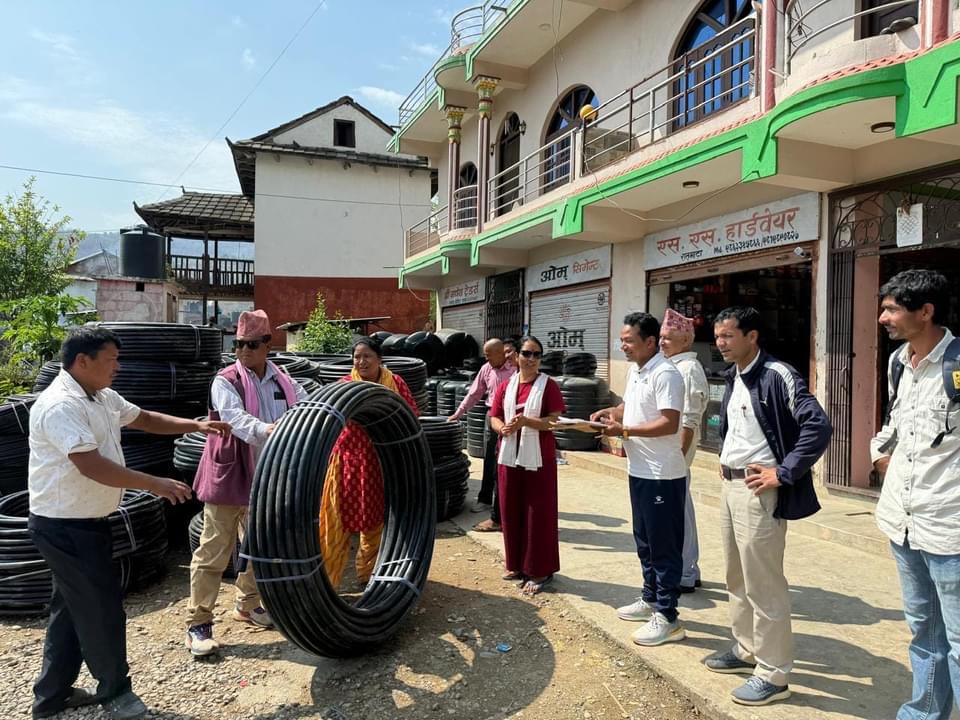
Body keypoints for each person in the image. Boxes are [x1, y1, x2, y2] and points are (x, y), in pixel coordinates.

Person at [28, 326, 229, 720]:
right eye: (111, 359)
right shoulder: (60, 405)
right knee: (102, 610)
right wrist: (154, 483)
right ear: (82, 361)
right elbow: (90, 465)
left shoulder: (100, 395)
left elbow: (145, 419)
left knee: (71, 609)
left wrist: (196, 425)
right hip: (66, 526)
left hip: (83, 522)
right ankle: (116, 693)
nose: (118, 366)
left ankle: (51, 696)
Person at [704, 306, 831, 706]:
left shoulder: (778, 375)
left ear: (752, 336)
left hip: (760, 491)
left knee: (764, 584)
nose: (720, 343)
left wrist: (785, 471)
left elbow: (818, 424)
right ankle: (745, 650)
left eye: (727, 336)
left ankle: (774, 674)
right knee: (735, 577)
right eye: (718, 335)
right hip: (731, 486)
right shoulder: (734, 376)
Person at [186, 309, 307, 657]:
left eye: (251, 345)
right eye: (238, 344)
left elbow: (304, 405)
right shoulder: (225, 381)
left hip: (266, 476)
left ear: (267, 344)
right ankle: (199, 623)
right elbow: (234, 418)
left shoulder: (285, 382)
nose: (243, 351)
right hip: (230, 475)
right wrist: (266, 429)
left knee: (258, 547)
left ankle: (248, 604)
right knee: (213, 550)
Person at [870, 270, 960, 720]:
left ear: (925, 312)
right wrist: (881, 457)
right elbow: (892, 425)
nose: (882, 317)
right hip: (903, 524)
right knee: (924, 631)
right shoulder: (897, 363)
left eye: (891, 308)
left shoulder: (958, 365)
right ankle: (924, 713)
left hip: (951, 529)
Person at [591, 312, 687, 647]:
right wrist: (611, 414)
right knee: (644, 540)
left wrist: (626, 429)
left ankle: (668, 616)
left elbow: (669, 423)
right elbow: (633, 407)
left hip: (663, 475)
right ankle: (650, 598)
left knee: (663, 546)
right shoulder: (638, 371)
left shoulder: (666, 374)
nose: (624, 346)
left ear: (650, 342)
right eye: (622, 340)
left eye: (629, 340)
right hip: (640, 471)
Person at [319, 337, 419, 590]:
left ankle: (368, 574)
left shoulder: (394, 384)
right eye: (357, 357)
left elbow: (411, 417)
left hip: (380, 461)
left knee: (373, 520)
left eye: (367, 356)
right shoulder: (344, 386)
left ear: (379, 359)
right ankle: (329, 579)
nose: (361, 361)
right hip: (347, 460)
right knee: (336, 519)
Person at [489, 336, 564, 595]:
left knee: (538, 513)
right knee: (510, 509)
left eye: (537, 355)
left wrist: (527, 422)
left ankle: (540, 569)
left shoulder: (548, 386)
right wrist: (504, 428)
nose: (532, 359)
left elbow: (553, 422)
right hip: (509, 456)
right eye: (527, 353)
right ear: (516, 356)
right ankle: (516, 564)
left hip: (537, 460)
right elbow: (494, 417)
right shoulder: (506, 386)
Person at [659, 309, 708, 593]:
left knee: (678, 513)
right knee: (680, 510)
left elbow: (689, 419)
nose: (663, 342)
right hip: (669, 454)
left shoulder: (688, 369)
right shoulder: (673, 365)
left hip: (676, 453)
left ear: (686, 340)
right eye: (662, 337)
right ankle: (688, 569)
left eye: (669, 338)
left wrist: (678, 454)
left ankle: (686, 571)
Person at [447, 338, 517, 532]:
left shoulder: (515, 369)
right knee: (491, 460)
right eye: (485, 354)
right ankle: (485, 499)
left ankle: (510, 504)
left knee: (511, 462)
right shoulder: (486, 369)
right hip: (493, 417)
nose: (485, 357)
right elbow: (474, 393)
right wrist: (458, 413)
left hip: (514, 418)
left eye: (488, 354)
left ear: (501, 352)